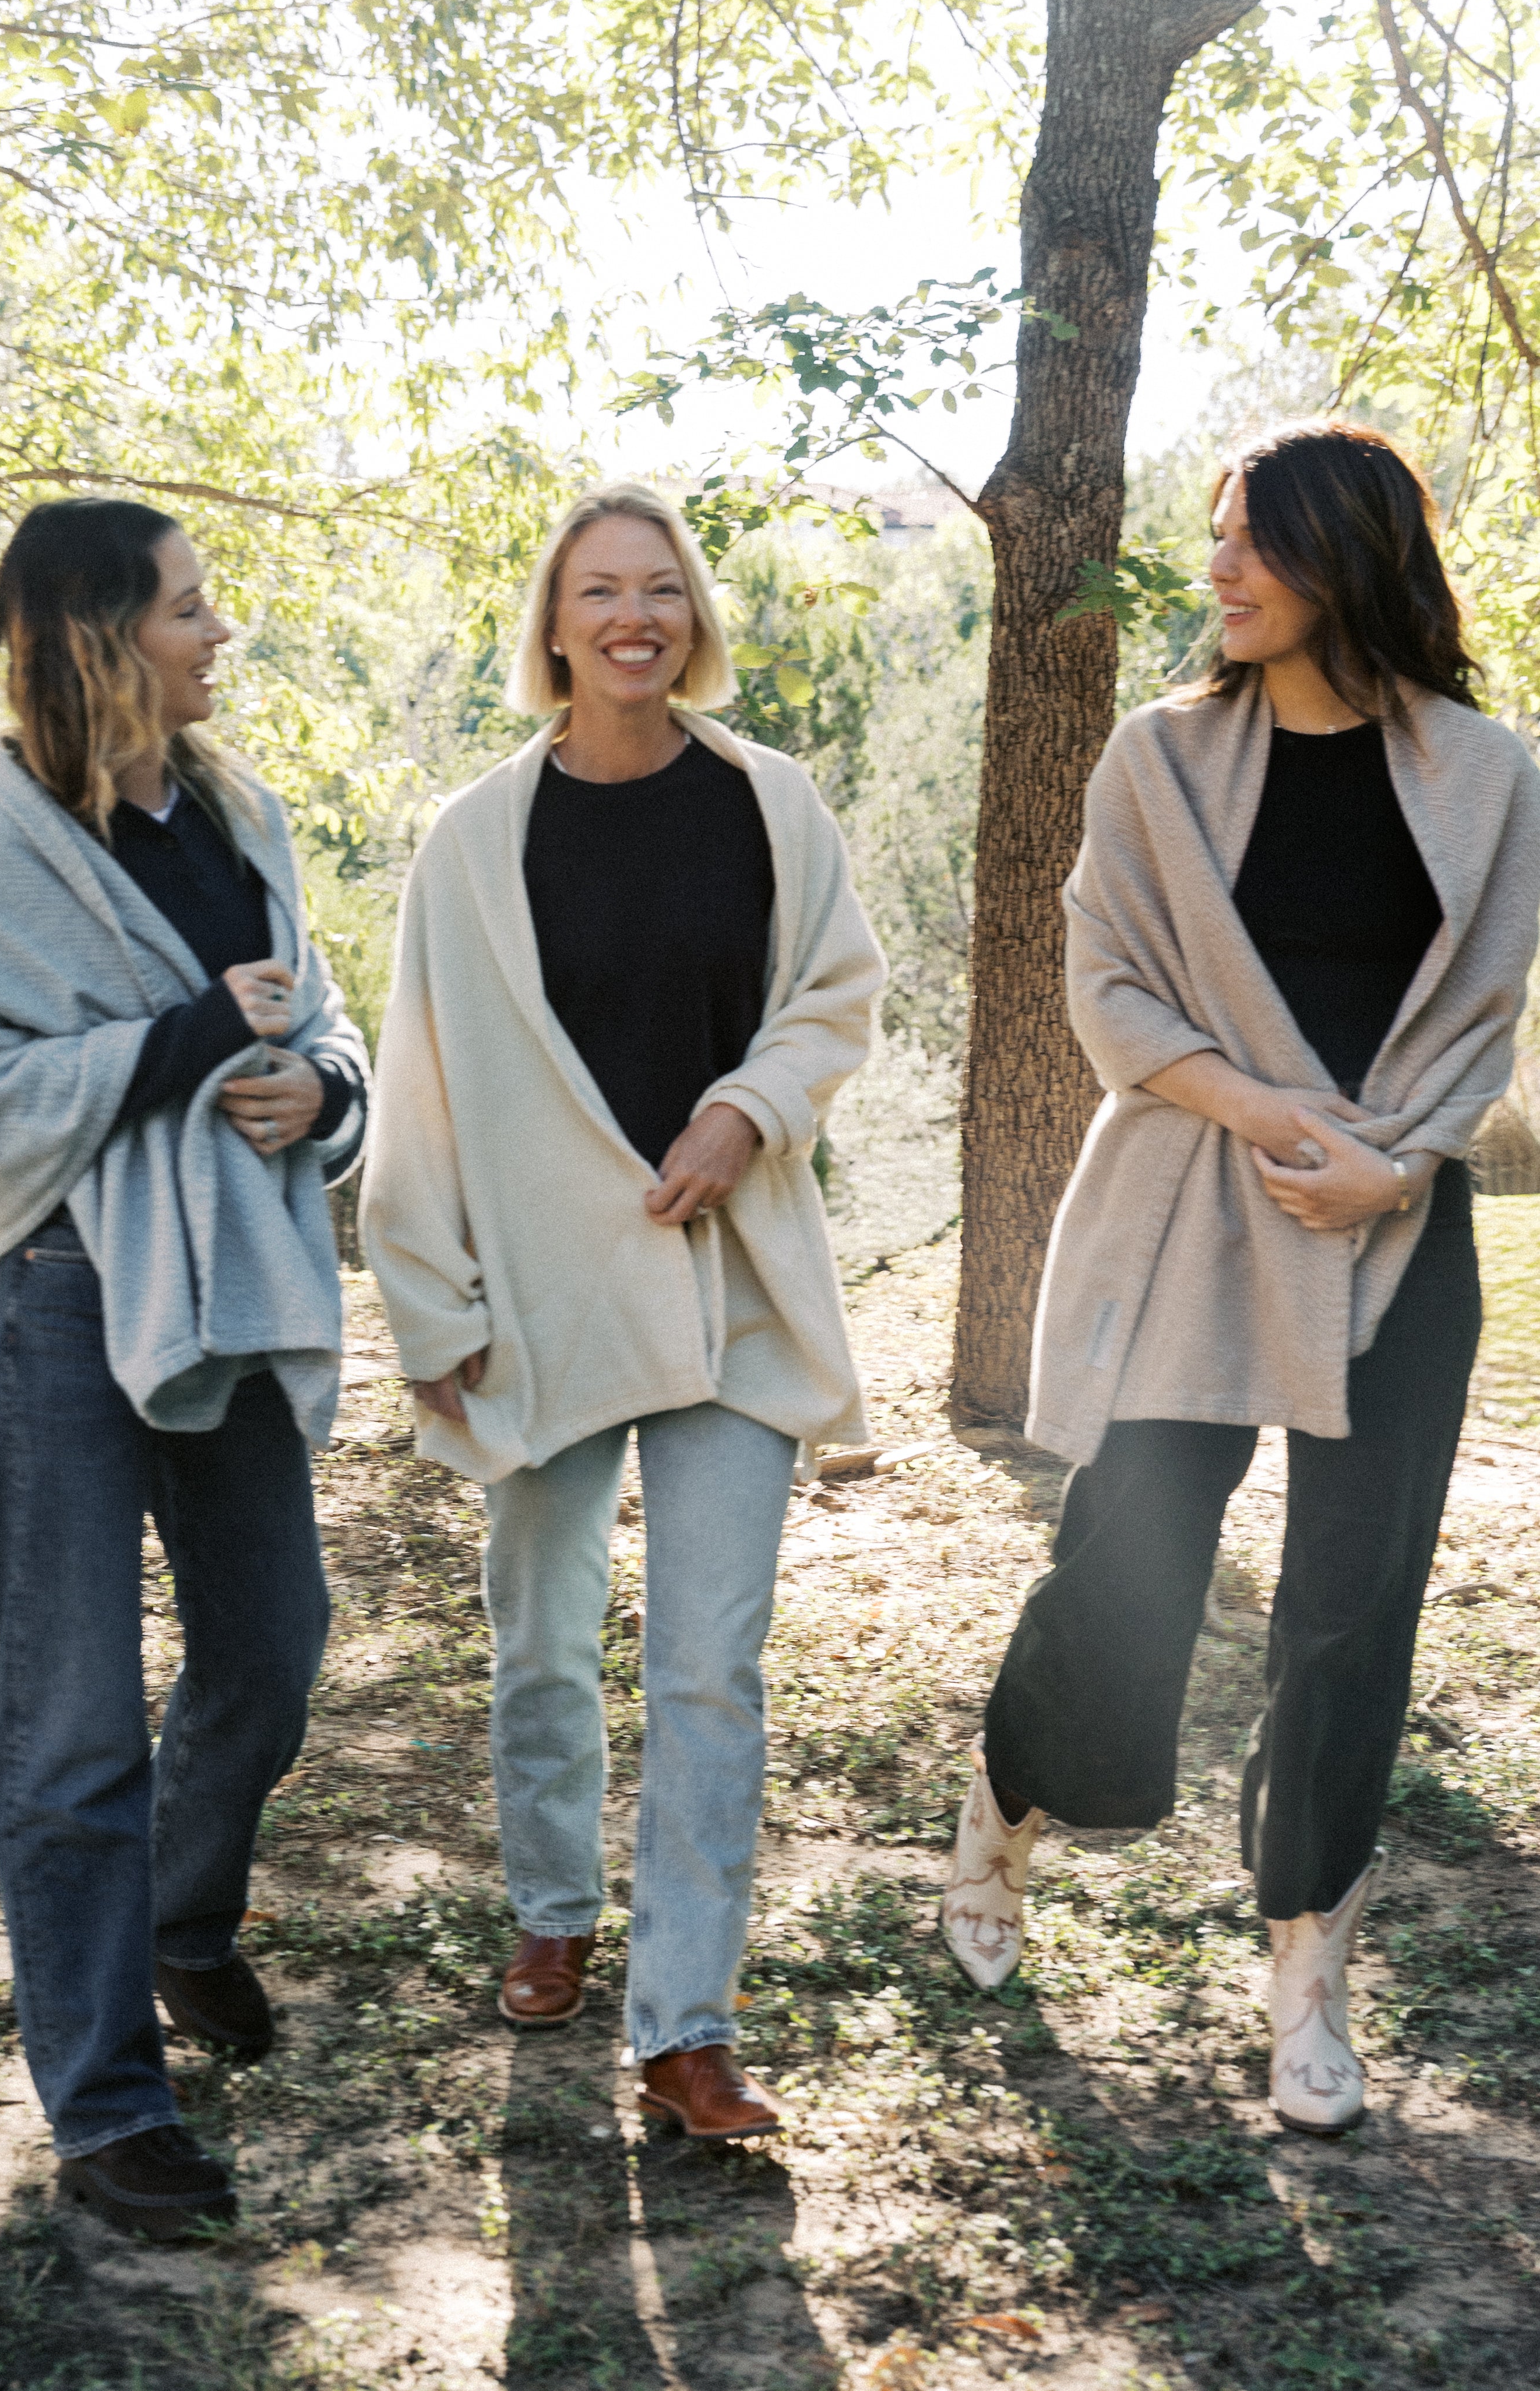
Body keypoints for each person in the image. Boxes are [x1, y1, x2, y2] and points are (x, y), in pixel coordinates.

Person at [940, 421, 1540, 2135]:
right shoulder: (1158, 757)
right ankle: (1004, 1803)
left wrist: (1395, 1166)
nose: (1219, 569)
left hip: (1396, 1233)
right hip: (1198, 1205)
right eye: (1217, 536)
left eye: (1252, 540)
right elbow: (1110, 991)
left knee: (1352, 1617)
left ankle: (1307, 1980)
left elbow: (1486, 1014)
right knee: (1128, 1564)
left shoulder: (1490, 773)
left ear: (1346, 553)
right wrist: (1279, 1116)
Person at [361, 482, 883, 2139]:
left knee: (710, 1666)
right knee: (541, 1639)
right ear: (555, 622)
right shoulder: (473, 839)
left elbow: (837, 996)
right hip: (542, 1299)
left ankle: (687, 2026)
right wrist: (430, 1299)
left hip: (731, 1286)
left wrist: (750, 1111)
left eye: (660, 588)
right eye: (599, 590)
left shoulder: (770, 803)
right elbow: (422, 1089)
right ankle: (552, 1904)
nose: (633, 617)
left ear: (693, 615)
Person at [0, 498, 369, 2238]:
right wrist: (185, 1041)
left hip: (229, 1292)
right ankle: (107, 2106)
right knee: (75, 1724)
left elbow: (318, 1018)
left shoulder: (238, 811)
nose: (217, 630)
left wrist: (326, 1097)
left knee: (273, 1645)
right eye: (188, 607)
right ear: (102, 638)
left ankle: (182, 1919)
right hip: (68, 1308)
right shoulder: (8, 847)